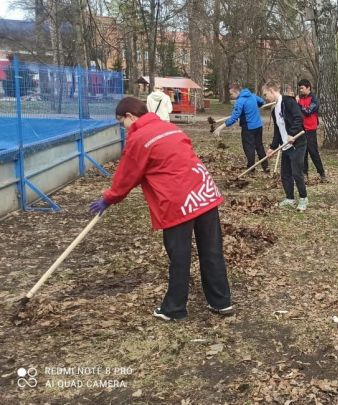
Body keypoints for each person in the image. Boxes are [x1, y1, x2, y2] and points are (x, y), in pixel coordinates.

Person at [89, 97, 233, 321]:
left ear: (130, 116)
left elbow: (127, 175)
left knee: (179, 255)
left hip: (178, 202)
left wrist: (109, 198)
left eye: (122, 123)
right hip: (204, 192)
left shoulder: (139, 138)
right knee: (211, 249)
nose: (123, 128)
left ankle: (174, 308)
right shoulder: (169, 127)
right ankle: (221, 301)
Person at [262, 81, 308, 212]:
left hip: (298, 143)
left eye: (266, 94)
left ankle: (303, 198)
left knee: (296, 172)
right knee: (285, 174)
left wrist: (292, 134)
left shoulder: (288, 102)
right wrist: (272, 147)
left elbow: (299, 118)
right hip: (285, 145)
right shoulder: (274, 110)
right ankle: (290, 198)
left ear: (272, 90)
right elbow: (277, 130)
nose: (266, 98)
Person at [213, 84, 269, 174]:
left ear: (236, 91)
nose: (231, 97)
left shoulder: (240, 101)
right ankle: (266, 167)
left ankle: (251, 168)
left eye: (231, 94)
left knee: (249, 147)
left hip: (249, 128)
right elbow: (262, 102)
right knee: (259, 146)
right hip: (259, 126)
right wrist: (255, 106)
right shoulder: (252, 95)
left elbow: (234, 117)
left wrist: (220, 127)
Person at [297, 79, 327, 183]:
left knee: (313, 152)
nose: (300, 90)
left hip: (310, 129)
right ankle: (305, 174)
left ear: (308, 87)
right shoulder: (299, 98)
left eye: (302, 88)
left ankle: (322, 173)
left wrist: (299, 104)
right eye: (299, 88)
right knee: (303, 153)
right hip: (301, 129)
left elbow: (308, 111)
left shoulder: (314, 99)